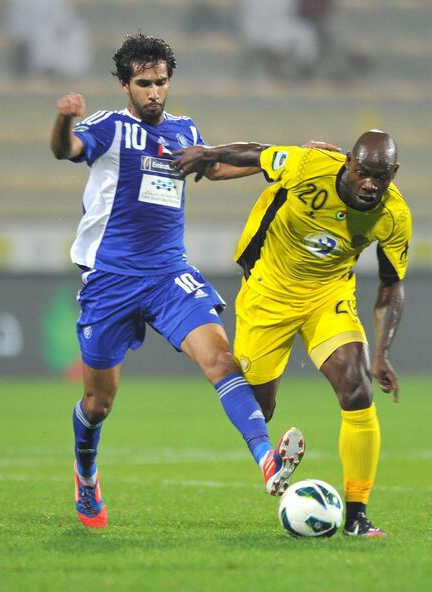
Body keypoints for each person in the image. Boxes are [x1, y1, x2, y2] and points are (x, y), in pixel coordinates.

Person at [50, 34, 305, 528]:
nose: (153, 92)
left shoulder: (185, 130)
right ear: (125, 85)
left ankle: (266, 461)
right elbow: (67, 149)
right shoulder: (108, 126)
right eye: (143, 83)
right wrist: (64, 118)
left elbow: (215, 166)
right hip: (112, 281)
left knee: (220, 360)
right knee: (98, 404)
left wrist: (287, 164)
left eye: (160, 82)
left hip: (170, 275)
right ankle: (86, 476)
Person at [172, 131, 411, 537]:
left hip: (328, 294)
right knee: (260, 409)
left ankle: (357, 515)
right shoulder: (310, 165)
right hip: (269, 293)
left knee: (357, 390)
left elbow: (391, 286)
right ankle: (269, 456)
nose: (371, 185)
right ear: (350, 163)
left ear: (394, 173)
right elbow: (259, 154)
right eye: (364, 173)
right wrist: (208, 155)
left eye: (381, 177)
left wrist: (381, 352)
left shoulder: (394, 216)